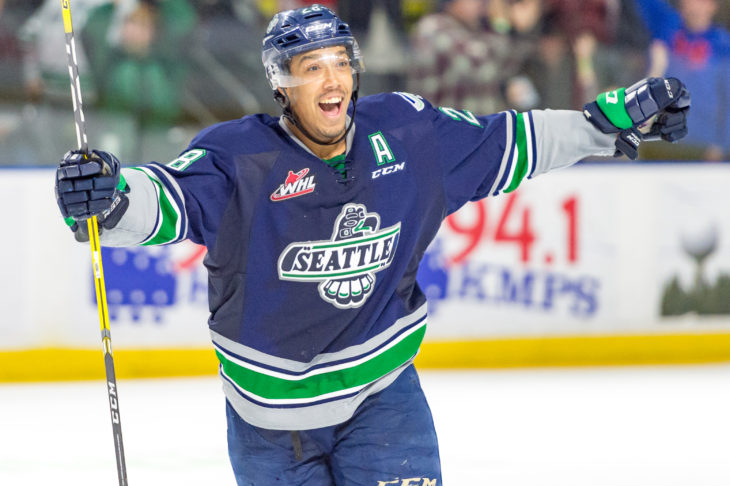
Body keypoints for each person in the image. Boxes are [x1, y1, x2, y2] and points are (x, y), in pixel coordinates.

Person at [54, 4, 690, 484]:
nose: (332, 80)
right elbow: (166, 200)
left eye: (340, 63)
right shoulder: (238, 158)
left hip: (386, 403)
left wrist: (605, 122)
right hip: (271, 429)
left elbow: (511, 142)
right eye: (311, 68)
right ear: (283, 86)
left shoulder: (409, 133)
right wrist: (107, 196)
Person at [635, 0, 730, 160]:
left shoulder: (723, 44)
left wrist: (723, 144)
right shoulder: (668, 28)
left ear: (712, 6)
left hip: (702, 144)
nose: (693, 5)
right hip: (659, 140)